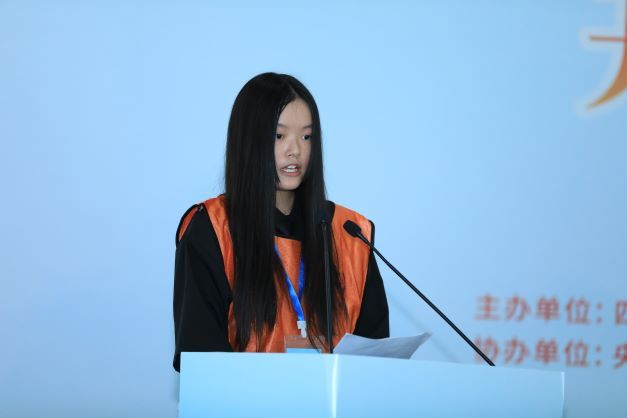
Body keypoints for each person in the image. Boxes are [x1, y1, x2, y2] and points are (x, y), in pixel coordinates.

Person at [172, 72, 389, 372]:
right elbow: (201, 363)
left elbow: (376, 361)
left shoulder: (349, 233)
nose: (295, 150)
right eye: (279, 136)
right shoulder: (212, 229)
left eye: (306, 136)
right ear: (248, 141)